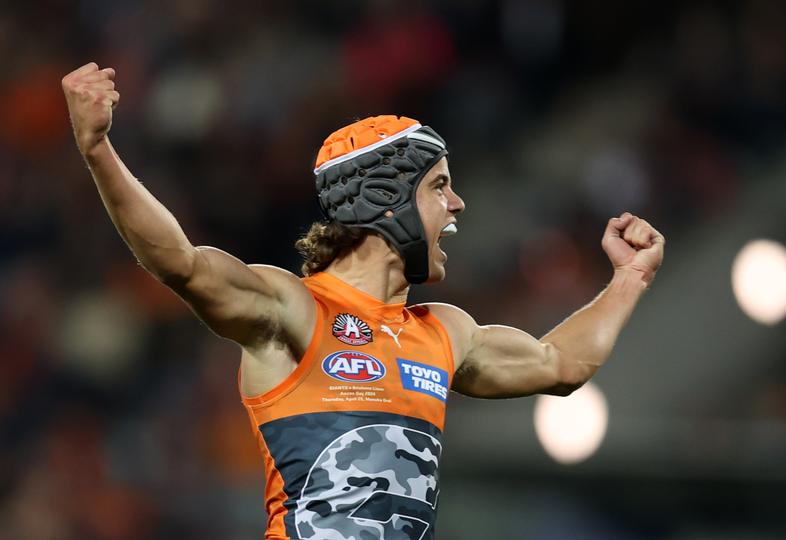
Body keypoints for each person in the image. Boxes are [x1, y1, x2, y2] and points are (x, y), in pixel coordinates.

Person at [63, 62, 665, 540]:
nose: (457, 206)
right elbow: (180, 263)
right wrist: (99, 151)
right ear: (386, 200)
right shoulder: (294, 310)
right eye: (439, 187)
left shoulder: (445, 332)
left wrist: (628, 280)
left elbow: (559, 365)